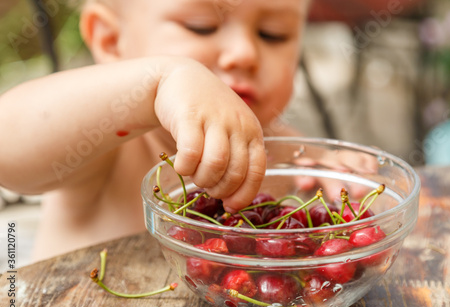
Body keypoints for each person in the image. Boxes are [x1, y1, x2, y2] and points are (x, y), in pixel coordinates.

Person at [0, 0, 310, 261]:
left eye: (273, 35)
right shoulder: (104, 141)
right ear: (111, 40)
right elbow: (7, 146)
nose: (244, 53)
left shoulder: (291, 154)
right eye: (200, 26)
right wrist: (161, 80)